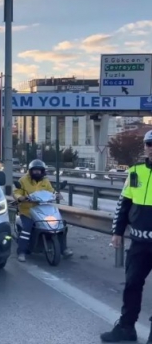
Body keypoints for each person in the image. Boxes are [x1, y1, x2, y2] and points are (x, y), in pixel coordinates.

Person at [100, 130, 152, 343]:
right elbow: (124, 204)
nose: (151, 148)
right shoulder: (135, 172)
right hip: (139, 243)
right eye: (149, 144)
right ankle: (126, 327)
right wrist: (117, 231)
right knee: (131, 285)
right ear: (145, 147)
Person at [13, 159, 73, 262]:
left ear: (42, 171)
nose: (37, 172)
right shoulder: (23, 180)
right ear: (30, 171)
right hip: (27, 210)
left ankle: (64, 249)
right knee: (27, 228)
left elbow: (51, 191)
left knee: (60, 225)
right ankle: (22, 252)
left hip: (44, 208)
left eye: (39, 170)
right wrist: (20, 197)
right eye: (35, 170)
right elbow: (17, 192)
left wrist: (57, 194)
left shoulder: (45, 181)